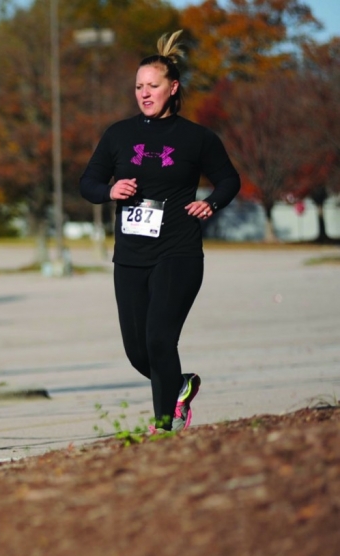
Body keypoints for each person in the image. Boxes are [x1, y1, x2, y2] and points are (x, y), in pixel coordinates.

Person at [79, 31, 241, 433]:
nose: (144, 93)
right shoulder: (119, 134)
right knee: (137, 351)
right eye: (139, 86)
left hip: (178, 250)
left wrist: (211, 203)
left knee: (158, 340)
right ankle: (181, 385)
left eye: (153, 86)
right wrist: (109, 190)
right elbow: (88, 182)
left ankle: (164, 424)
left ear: (173, 87)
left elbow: (228, 180)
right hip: (130, 255)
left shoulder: (196, 138)